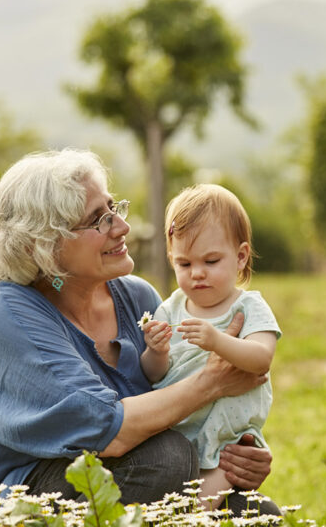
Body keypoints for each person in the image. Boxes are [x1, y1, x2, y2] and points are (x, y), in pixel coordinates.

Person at [0, 149, 279, 517]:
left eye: (114, 209)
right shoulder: (4, 311)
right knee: (167, 459)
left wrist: (237, 451)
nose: (122, 227)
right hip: (5, 500)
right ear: (45, 245)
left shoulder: (137, 297)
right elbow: (108, 432)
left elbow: (174, 399)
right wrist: (214, 382)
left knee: (259, 515)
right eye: (99, 220)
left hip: (108, 475)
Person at [140, 183, 280, 510]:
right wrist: (156, 352)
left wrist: (218, 340)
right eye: (184, 264)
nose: (197, 274)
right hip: (180, 427)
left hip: (227, 436)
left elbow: (261, 359)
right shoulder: (169, 308)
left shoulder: (248, 307)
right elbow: (152, 375)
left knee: (194, 508)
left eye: (211, 261)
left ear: (241, 257)